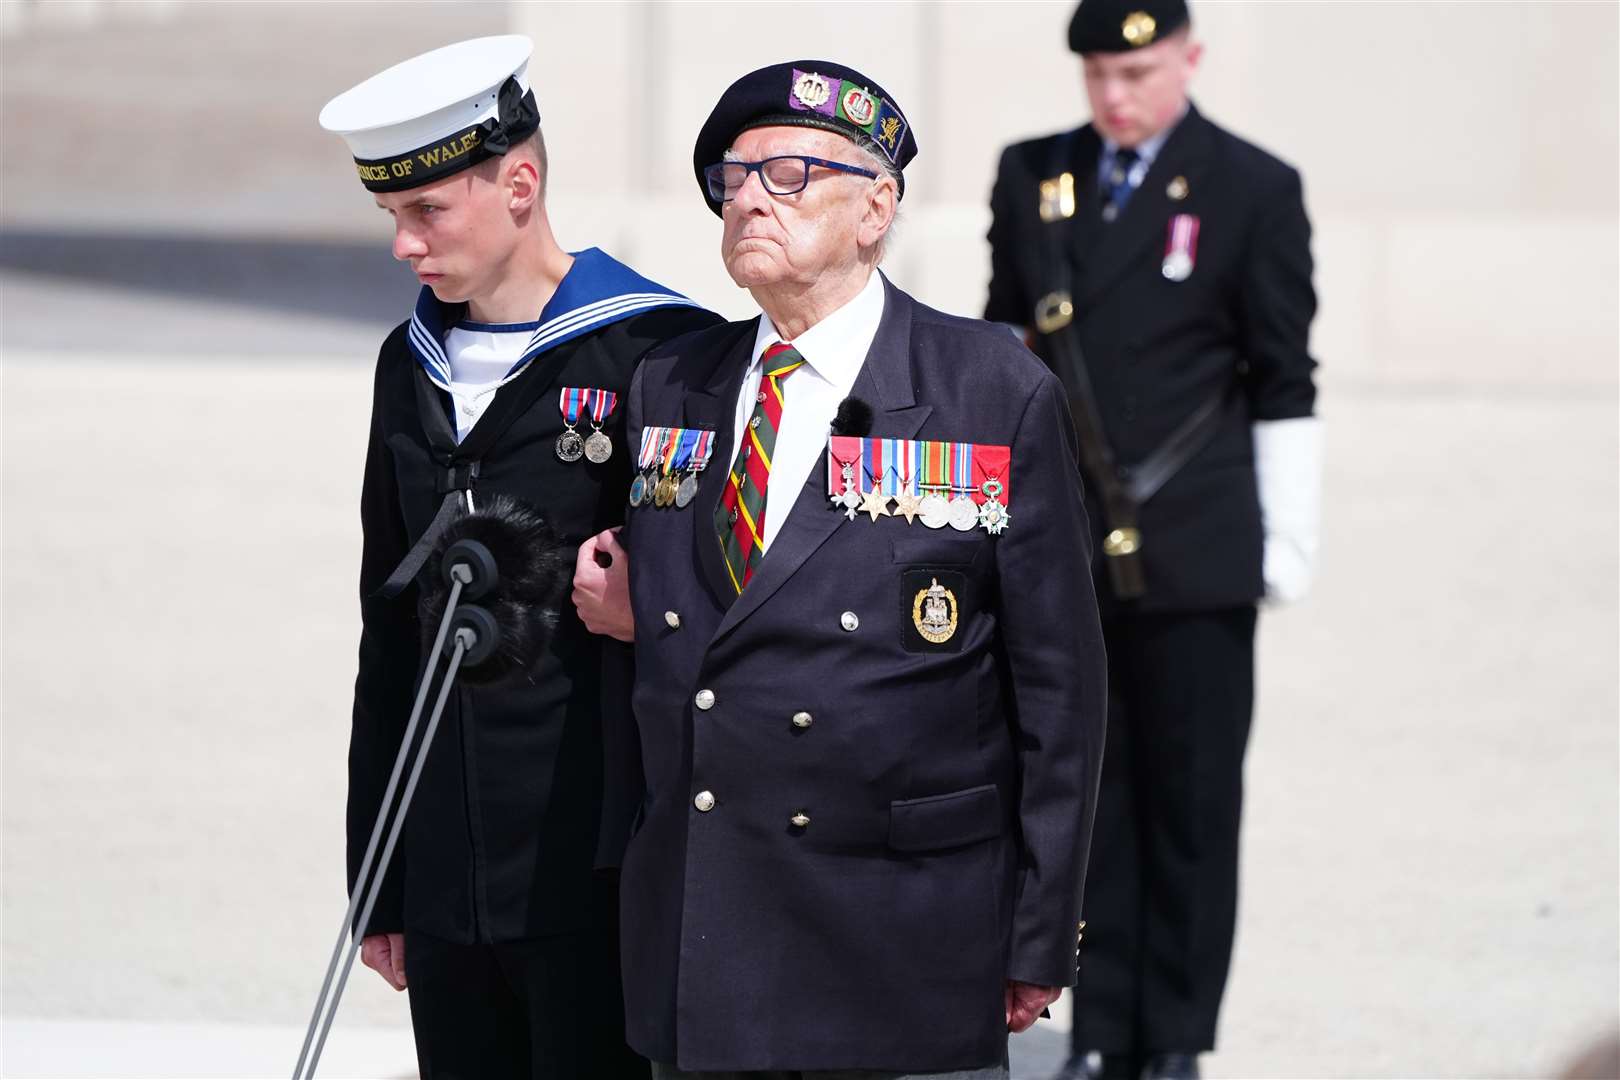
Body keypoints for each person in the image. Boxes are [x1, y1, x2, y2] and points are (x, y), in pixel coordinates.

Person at [590, 59, 1108, 1078]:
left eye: (785, 175)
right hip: (708, 919)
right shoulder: (672, 386)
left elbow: (1061, 691)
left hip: (900, 935)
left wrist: (1041, 931)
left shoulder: (989, 392)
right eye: (730, 179)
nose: (746, 199)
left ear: (876, 208)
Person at [318, 35, 720, 1078]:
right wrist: (382, 872)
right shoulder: (407, 366)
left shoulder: (659, 352)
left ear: (520, 185)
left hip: (594, 864)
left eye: (427, 212)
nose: (405, 246)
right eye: (392, 219)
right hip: (448, 864)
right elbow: (387, 623)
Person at [983, 3, 1323, 1078]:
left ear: (1189, 59)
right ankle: (1103, 1030)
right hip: (1063, 536)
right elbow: (1001, 350)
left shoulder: (1251, 187)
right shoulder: (1034, 173)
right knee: (1086, 795)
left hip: (1195, 540)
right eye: (1097, 72)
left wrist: (1288, 531)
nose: (1114, 94)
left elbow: (1283, 375)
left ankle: (1172, 1038)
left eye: (1136, 70)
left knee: (1190, 798)